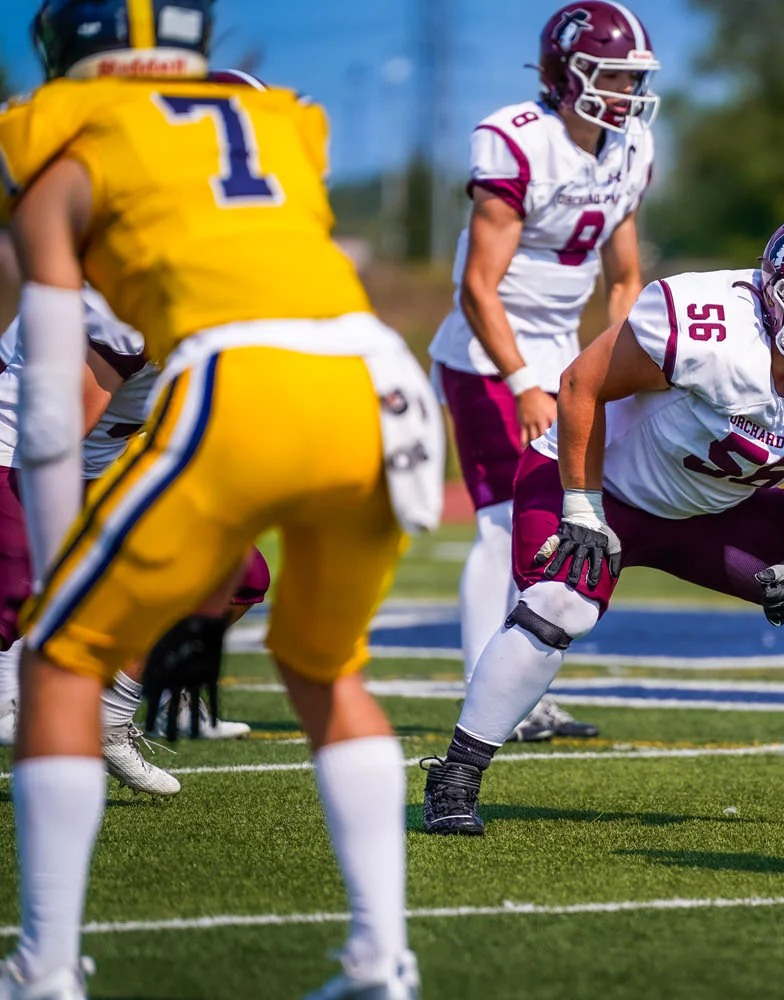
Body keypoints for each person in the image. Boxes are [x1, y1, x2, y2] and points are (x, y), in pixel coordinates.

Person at [1, 3, 445, 996]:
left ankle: (45, 969)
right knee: (326, 669)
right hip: (382, 386)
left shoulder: (64, 150)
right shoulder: (281, 125)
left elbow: (45, 408)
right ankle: (383, 962)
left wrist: (59, 595)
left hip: (241, 381)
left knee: (61, 660)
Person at [420, 209, 784, 834]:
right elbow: (581, 384)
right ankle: (456, 776)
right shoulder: (703, 324)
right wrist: (583, 506)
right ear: (777, 299)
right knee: (562, 602)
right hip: (597, 486)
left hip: (707, 509)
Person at [428, 0, 658, 742]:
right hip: (487, 351)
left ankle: (520, 690)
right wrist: (524, 378)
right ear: (565, 73)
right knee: (501, 525)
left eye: (632, 77)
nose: (624, 91)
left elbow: (624, 275)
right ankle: (482, 694)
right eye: (610, 75)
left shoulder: (629, 146)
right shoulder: (515, 140)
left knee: (561, 520)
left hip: (561, 350)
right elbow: (477, 287)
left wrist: (609, 361)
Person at [0, 292, 266, 799]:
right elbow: (57, 440)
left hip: (101, 471)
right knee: (17, 607)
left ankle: (114, 716)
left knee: (236, 572)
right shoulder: (128, 307)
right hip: (24, 466)